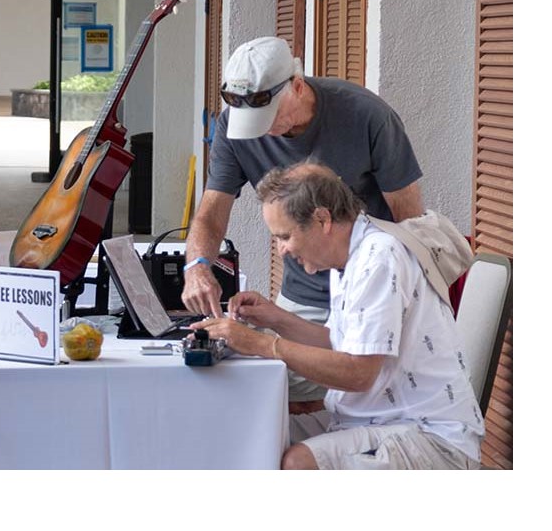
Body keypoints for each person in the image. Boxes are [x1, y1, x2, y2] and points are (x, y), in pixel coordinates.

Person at [182, 36, 425, 410]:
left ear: (297, 85)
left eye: (269, 116)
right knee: (261, 387)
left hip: (369, 286)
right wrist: (197, 266)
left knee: (302, 397)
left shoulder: (366, 115)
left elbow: (410, 222)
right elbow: (211, 212)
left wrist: (398, 301)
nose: (262, 130)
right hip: (303, 291)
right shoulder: (235, 125)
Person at [192, 161, 484, 470]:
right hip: (373, 421)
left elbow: (358, 373)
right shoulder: (349, 256)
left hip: (431, 437)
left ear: (322, 219)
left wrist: (261, 344)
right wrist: (275, 318)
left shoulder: (380, 258)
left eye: (285, 236)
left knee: (298, 462)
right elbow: (339, 342)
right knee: (253, 433)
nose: (281, 250)